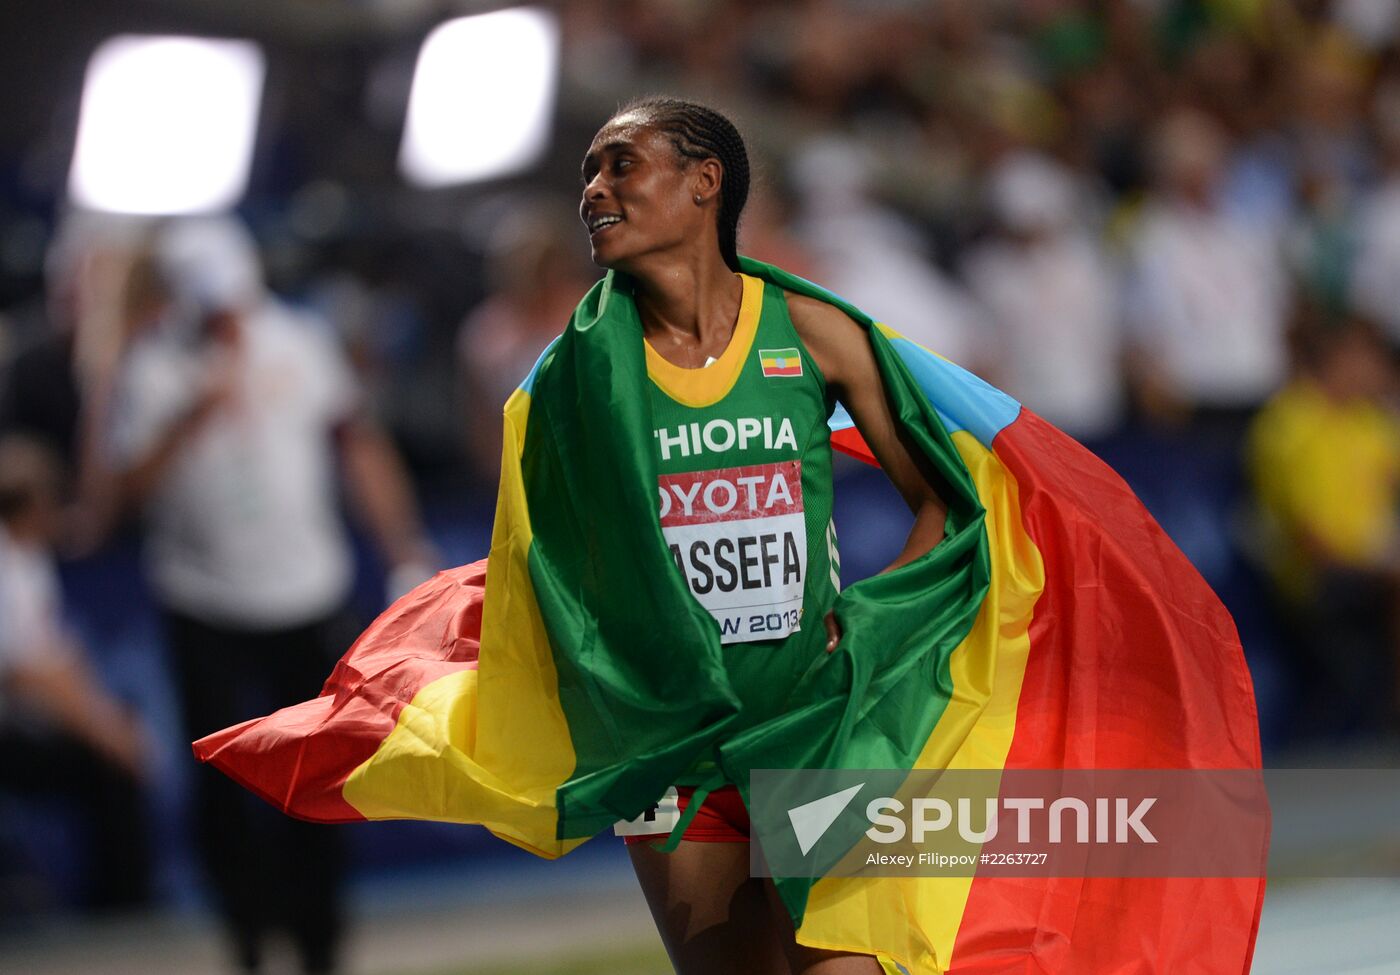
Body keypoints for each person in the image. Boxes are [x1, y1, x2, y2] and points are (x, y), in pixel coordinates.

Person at [572, 96, 950, 975]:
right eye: (587, 173)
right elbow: (552, 556)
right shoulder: (579, 368)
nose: (593, 190)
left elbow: (944, 501)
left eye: (619, 164)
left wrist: (869, 626)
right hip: (668, 754)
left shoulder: (811, 331)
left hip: (815, 729)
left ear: (705, 182)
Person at [107, 217, 437, 974]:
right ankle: (248, 938)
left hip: (306, 589)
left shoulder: (298, 342)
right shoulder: (155, 366)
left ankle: (322, 944)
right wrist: (189, 412)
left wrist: (402, 544)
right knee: (224, 789)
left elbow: (356, 443)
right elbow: (124, 492)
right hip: (204, 599)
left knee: (320, 777)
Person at [0, 433, 151, 912]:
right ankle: (122, 915)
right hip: (10, 729)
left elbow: (61, 661)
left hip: (27, 722)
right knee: (107, 767)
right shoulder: (7, 569)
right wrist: (104, 731)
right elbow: (24, 674)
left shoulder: (30, 562)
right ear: (32, 505)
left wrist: (105, 718)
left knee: (111, 751)